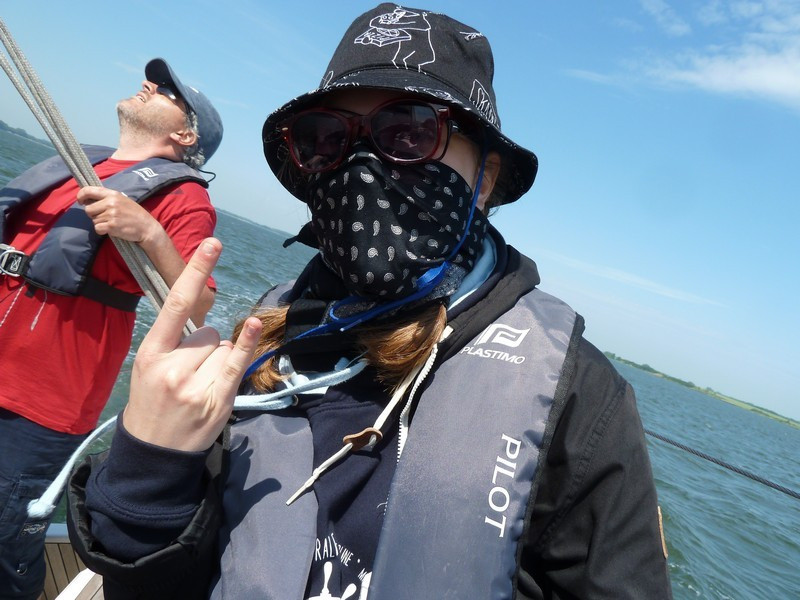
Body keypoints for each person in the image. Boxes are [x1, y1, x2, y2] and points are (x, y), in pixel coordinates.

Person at [68, 5, 673, 599]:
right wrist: (148, 471)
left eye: (409, 130)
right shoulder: (267, 335)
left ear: (484, 177)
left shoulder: (579, 397)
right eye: (324, 137)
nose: (361, 166)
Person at [0, 58, 222, 599]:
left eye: (166, 90)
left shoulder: (184, 197)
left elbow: (199, 309)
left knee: (6, 547)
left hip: (40, 402)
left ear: (185, 135)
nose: (148, 84)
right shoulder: (83, 165)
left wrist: (149, 232)